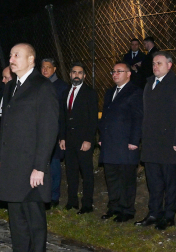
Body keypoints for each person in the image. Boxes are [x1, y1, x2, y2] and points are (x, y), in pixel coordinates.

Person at [0, 44, 59, 252]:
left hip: (32, 166)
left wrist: (40, 166)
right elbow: (5, 127)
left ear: (31, 59)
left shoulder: (42, 86)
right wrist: (1, 159)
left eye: (17, 55)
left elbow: (48, 129)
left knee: (34, 220)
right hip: (12, 165)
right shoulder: (11, 86)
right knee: (16, 218)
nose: (11, 59)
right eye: (10, 55)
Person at [137, 51, 176, 230]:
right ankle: (154, 213)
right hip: (151, 142)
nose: (155, 66)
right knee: (154, 182)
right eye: (153, 63)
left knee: (170, 182)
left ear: (169, 65)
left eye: (159, 63)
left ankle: (168, 216)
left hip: (169, 142)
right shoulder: (149, 84)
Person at [98, 63, 143, 222]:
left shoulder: (135, 92)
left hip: (125, 144)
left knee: (126, 179)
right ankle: (114, 207)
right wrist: (101, 138)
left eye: (119, 71)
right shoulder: (110, 92)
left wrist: (134, 140)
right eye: (113, 71)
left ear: (128, 74)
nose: (115, 74)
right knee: (111, 177)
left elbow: (138, 118)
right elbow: (105, 116)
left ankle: (127, 210)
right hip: (109, 143)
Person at [59, 61, 98, 213]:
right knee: (71, 172)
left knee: (86, 173)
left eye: (80, 73)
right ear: (70, 75)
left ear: (84, 76)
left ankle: (87, 204)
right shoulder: (65, 92)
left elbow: (93, 119)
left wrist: (88, 139)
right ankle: (72, 201)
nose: (77, 75)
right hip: (69, 140)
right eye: (74, 72)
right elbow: (62, 117)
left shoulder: (90, 93)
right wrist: (62, 137)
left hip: (83, 141)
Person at [41, 58, 69, 207]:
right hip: (39, 131)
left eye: (48, 67)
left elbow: (64, 114)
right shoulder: (38, 84)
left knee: (54, 166)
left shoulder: (62, 87)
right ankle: (42, 195)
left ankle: (53, 197)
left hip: (55, 132)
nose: (45, 70)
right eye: (43, 67)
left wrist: (62, 135)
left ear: (54, 69)